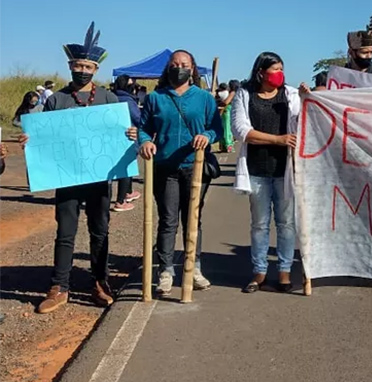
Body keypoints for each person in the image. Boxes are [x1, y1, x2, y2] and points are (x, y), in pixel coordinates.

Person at [21, 22, 137, 314]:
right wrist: (30, 140)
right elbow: (44, 137)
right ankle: (59, 286)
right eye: (78, 65)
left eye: (88, 65)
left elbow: (122, 133)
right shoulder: (57, 100)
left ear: (95, 70)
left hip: (99, 177)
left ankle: (100, 281)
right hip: (67, 176)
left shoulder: (110, 100)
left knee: (100, 231)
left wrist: (131, 135)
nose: (82, 70)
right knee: (66, 231)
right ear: (70, 66)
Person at [138, 50, 223, 295]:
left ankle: (193, 267)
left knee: (193, 220)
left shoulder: (204, 98)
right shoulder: (156, 98)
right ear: (168, 68)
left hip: (195, 167)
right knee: (168, 221)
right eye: (175, 64)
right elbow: (143, 128)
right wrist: (144, 142)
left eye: (184, 64)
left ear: (193, 68)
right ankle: (165, 270)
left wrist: (206, 136)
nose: (179, 68)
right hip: (165, 167)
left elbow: (216, 128)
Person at [231, 52, 310, 293]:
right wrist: (277, 139)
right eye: (274, 70)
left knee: (286, 224)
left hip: (284, 170)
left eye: (281, 69)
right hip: (256, 169)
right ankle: (259, 272)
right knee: (260, 224)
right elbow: (241, 130)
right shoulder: (245, 95)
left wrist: (308, 100)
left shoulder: (291, 95)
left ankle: (284, 272)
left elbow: (303, 123)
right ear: (260, 72)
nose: (279, 74)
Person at [111, 75, 142, 212]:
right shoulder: (128, 101)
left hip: (113, 139)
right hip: (129, 137)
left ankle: (128, 192)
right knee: (126, 168)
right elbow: (138, 118)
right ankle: (121, 200)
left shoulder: (110, 97)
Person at [216, 83, 235, 153]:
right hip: (226, 109)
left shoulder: (221, 93)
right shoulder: (228, 93)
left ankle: (225, 145)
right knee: (227, 128)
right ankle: (228, 145)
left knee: (225, 128)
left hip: (224, 109)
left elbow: (224, 102)